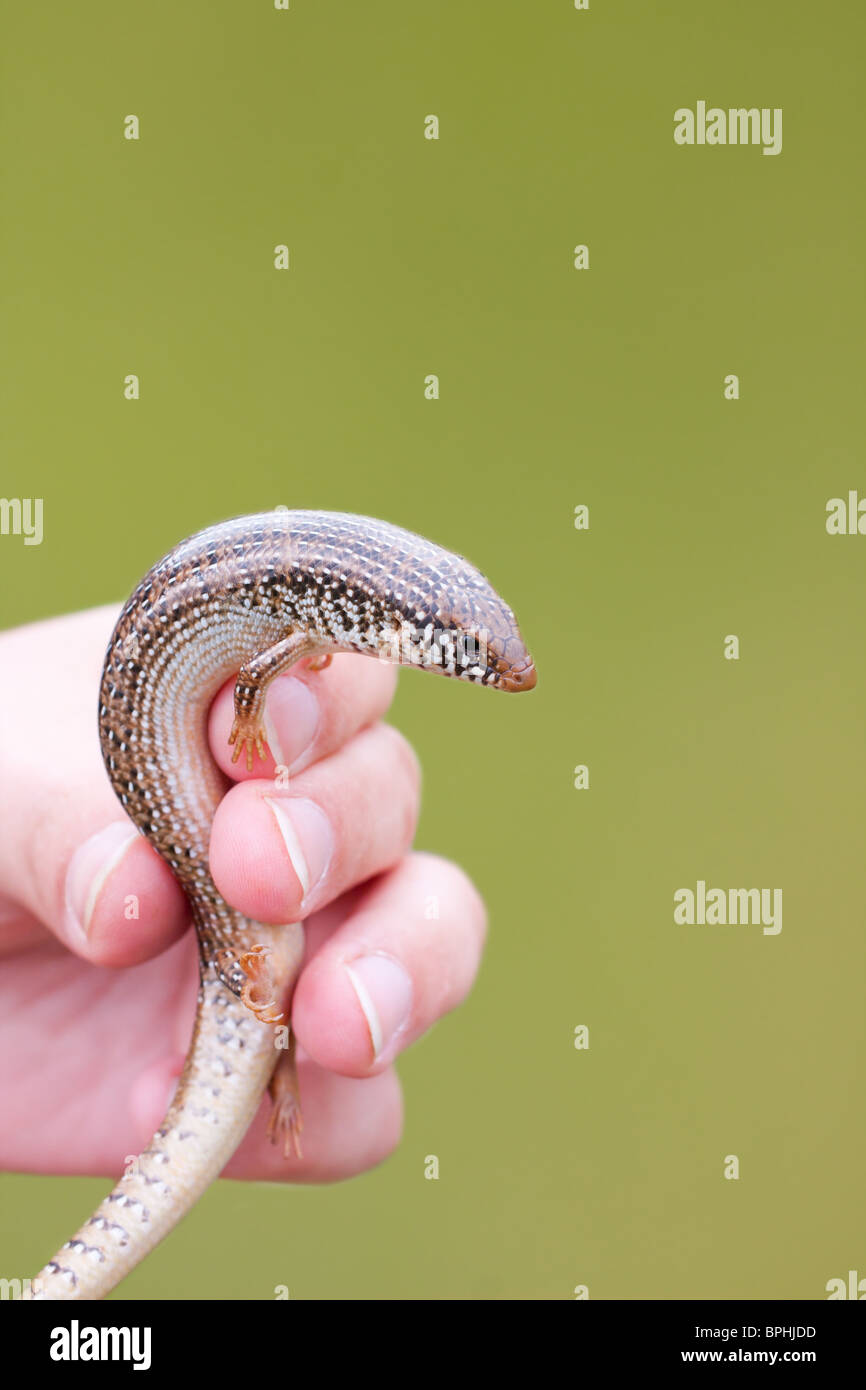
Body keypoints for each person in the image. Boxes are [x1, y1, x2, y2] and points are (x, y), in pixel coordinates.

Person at [0, 606, 486, 1182]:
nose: (504, 672)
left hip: (185, 855)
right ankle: (274, 1070)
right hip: (159, 770)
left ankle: (273, 1070)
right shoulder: (314, 621)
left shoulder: (318, 620)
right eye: (474, 656)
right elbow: (254, 678)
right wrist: (253, 717)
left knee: (274, 940)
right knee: (272, 931)